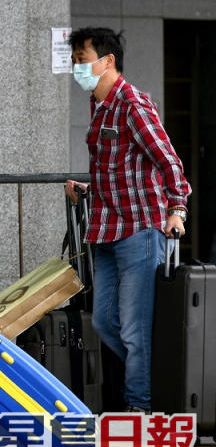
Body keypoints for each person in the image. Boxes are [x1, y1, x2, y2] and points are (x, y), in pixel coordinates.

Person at [64, 28, 191, 412]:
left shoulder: (133, 104)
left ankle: (141, 405)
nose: (77, 67)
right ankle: (154, 376)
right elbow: (121, 168)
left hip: (140, 230)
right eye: (74, 60)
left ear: (107, 61)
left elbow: (168, 161)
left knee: (135, 329)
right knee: (105, 322)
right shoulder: (99, 105)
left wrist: (177, 208)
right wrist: (87, 189)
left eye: (82, 60)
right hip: (106, 229)